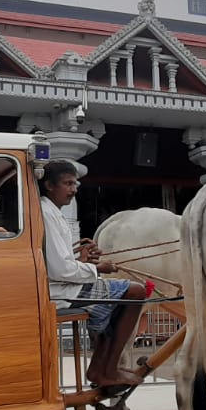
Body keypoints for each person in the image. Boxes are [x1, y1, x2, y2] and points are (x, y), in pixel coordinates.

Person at [39, 160, 147, 392]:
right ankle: (106, 370)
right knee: (136, 291)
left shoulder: (51, 212)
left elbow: (61, 264)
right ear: (49, 185)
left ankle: (101, 367)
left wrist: (83, 261)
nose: (74, 189)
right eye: (67, 184)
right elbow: (61, 271)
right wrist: (98, 268)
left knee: (119, 302)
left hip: (64, 287)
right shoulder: (46, 213)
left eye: (75, 183)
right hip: (61, 291)